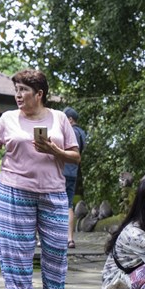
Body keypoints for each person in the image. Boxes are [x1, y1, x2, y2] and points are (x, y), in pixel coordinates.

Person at [0, 68, 80, 289]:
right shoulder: (8, 118)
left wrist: (53, 149)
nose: (18, 95)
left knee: (56, 248)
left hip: (53, 191)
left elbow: (75, 155)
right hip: (14, 191)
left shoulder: (59, 118)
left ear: (39, 94)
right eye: (16, 90)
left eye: (23, 90)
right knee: (16, 250)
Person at [62, 106, 87, 249]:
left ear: (70, 120)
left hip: (61, 171)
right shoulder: (82, 133)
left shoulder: (69, 131)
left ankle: (49, 238)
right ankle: (70, 238)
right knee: (68, 205)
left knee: (52, 204)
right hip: (73, 172)